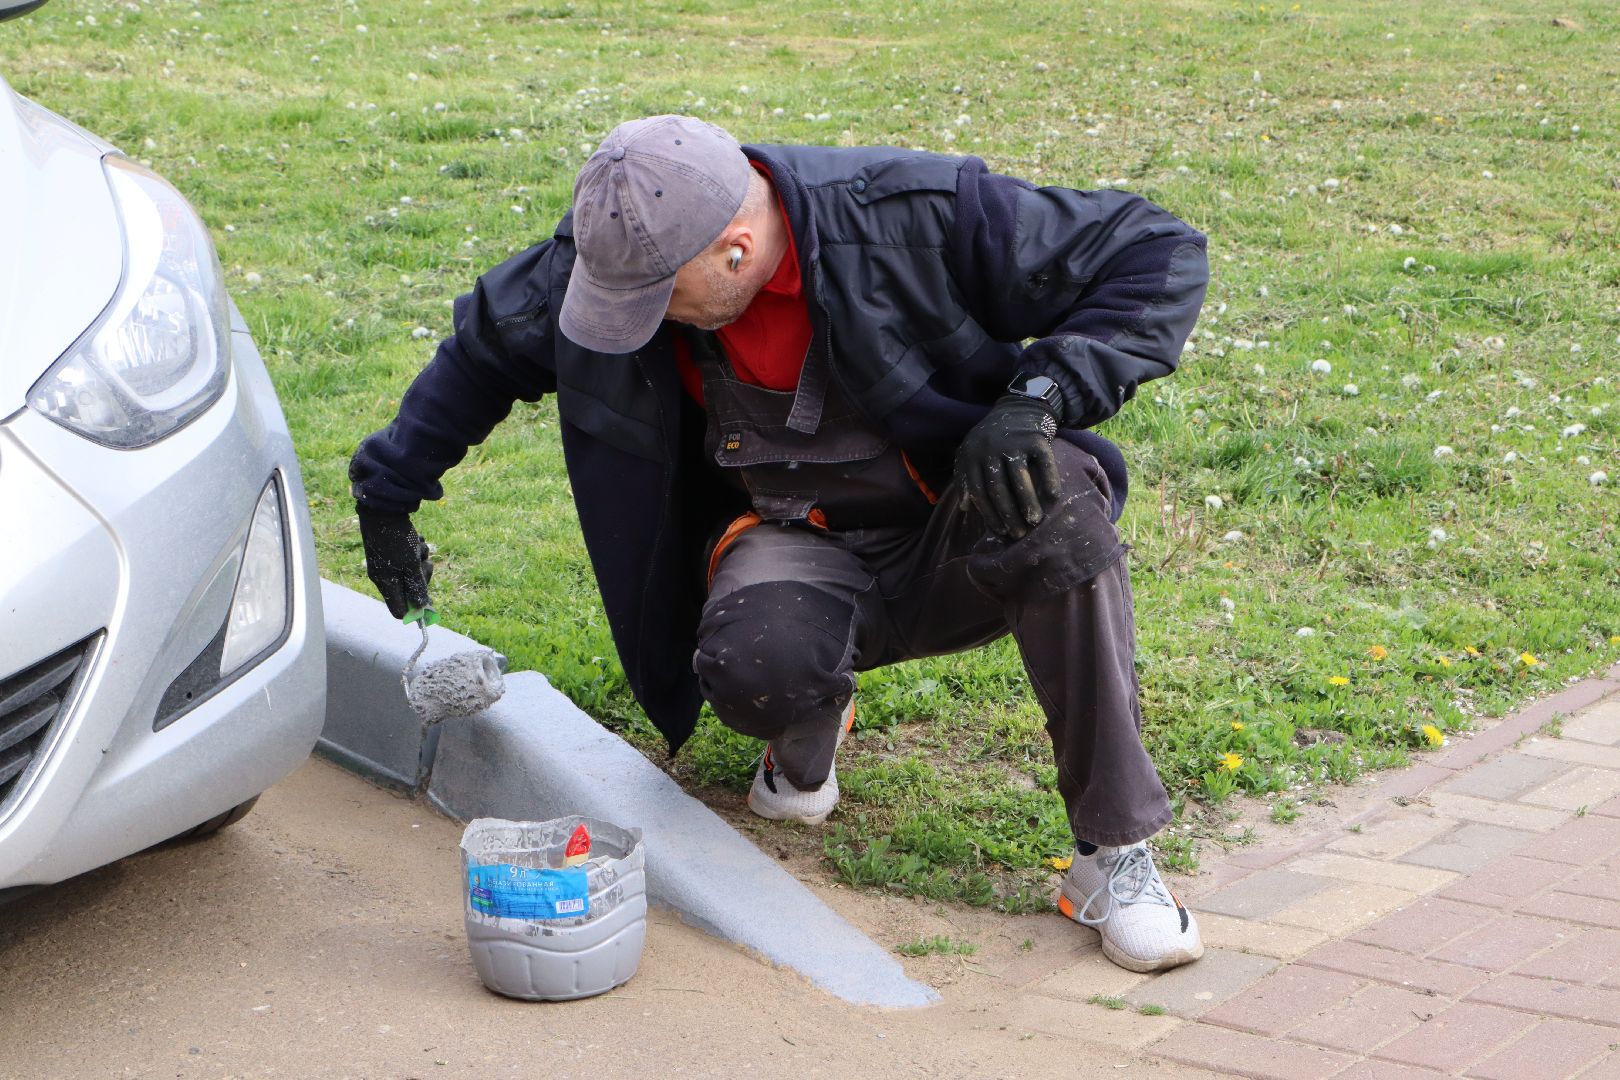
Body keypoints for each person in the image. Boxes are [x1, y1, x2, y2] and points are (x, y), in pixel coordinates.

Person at [350, 115, 1209, 972]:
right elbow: (486, 351)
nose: (635, 321)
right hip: (788, 536)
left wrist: (1040, 397)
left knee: (1057, 502)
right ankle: (809, 718)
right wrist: (387, 496)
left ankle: (1112, 853)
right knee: (759, 665)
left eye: (656, 302)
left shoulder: (910, 217)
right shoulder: (615, 259)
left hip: (961, 521)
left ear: (737, 247)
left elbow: (1156, 250)